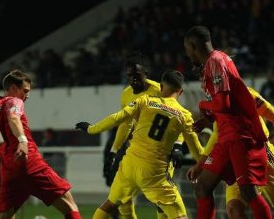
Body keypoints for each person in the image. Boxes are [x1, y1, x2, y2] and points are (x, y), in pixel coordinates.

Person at [76, 70, 204, 219]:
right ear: (180, 91)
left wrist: (91, 129)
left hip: (129, 165)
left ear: (161, 86)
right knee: (179, 214)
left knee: (110, 204)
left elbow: (118, 117)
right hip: (154, 171)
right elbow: (197, 150)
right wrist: (211, 166)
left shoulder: (145, 101)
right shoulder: (184, 115)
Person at [0, 70, 82, 219]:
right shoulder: (14, 101)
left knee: (5, 217)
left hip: (9, 171)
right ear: (13, 89)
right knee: (69, 205)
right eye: (25, 91)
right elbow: (14, 118)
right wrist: (22, 141)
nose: (27, 95)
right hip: (29, 162)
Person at [184, 25, 272, 218]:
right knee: (203, 187)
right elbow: (227, 107)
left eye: (187, 50)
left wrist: (203, 105)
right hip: (227, 138)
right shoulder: (215, 62)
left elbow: (223, 103)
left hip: (240, 137)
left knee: (249, 193)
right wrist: (209, 120)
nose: (188, 55)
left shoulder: (215, 61)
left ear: (192, 45)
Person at [103, 54, 185, 219]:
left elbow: (178, 119)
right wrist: (113, 151)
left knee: (161, 202)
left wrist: (177, 146)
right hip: (136, 150)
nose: (133, 79)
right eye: (129, 76)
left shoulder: (159, 90)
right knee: (121, 196)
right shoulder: (126, 95)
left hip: (159, 154)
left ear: (145, 73)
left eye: (136, 75)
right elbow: (125, 124)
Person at [189, 86, 274, 218]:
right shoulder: (217, 102)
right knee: (234, 208)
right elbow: (217, 135)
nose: (202, 83)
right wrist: (199, 165)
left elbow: (270, 111)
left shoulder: (244, 92)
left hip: (259, 153)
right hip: (235, 158)